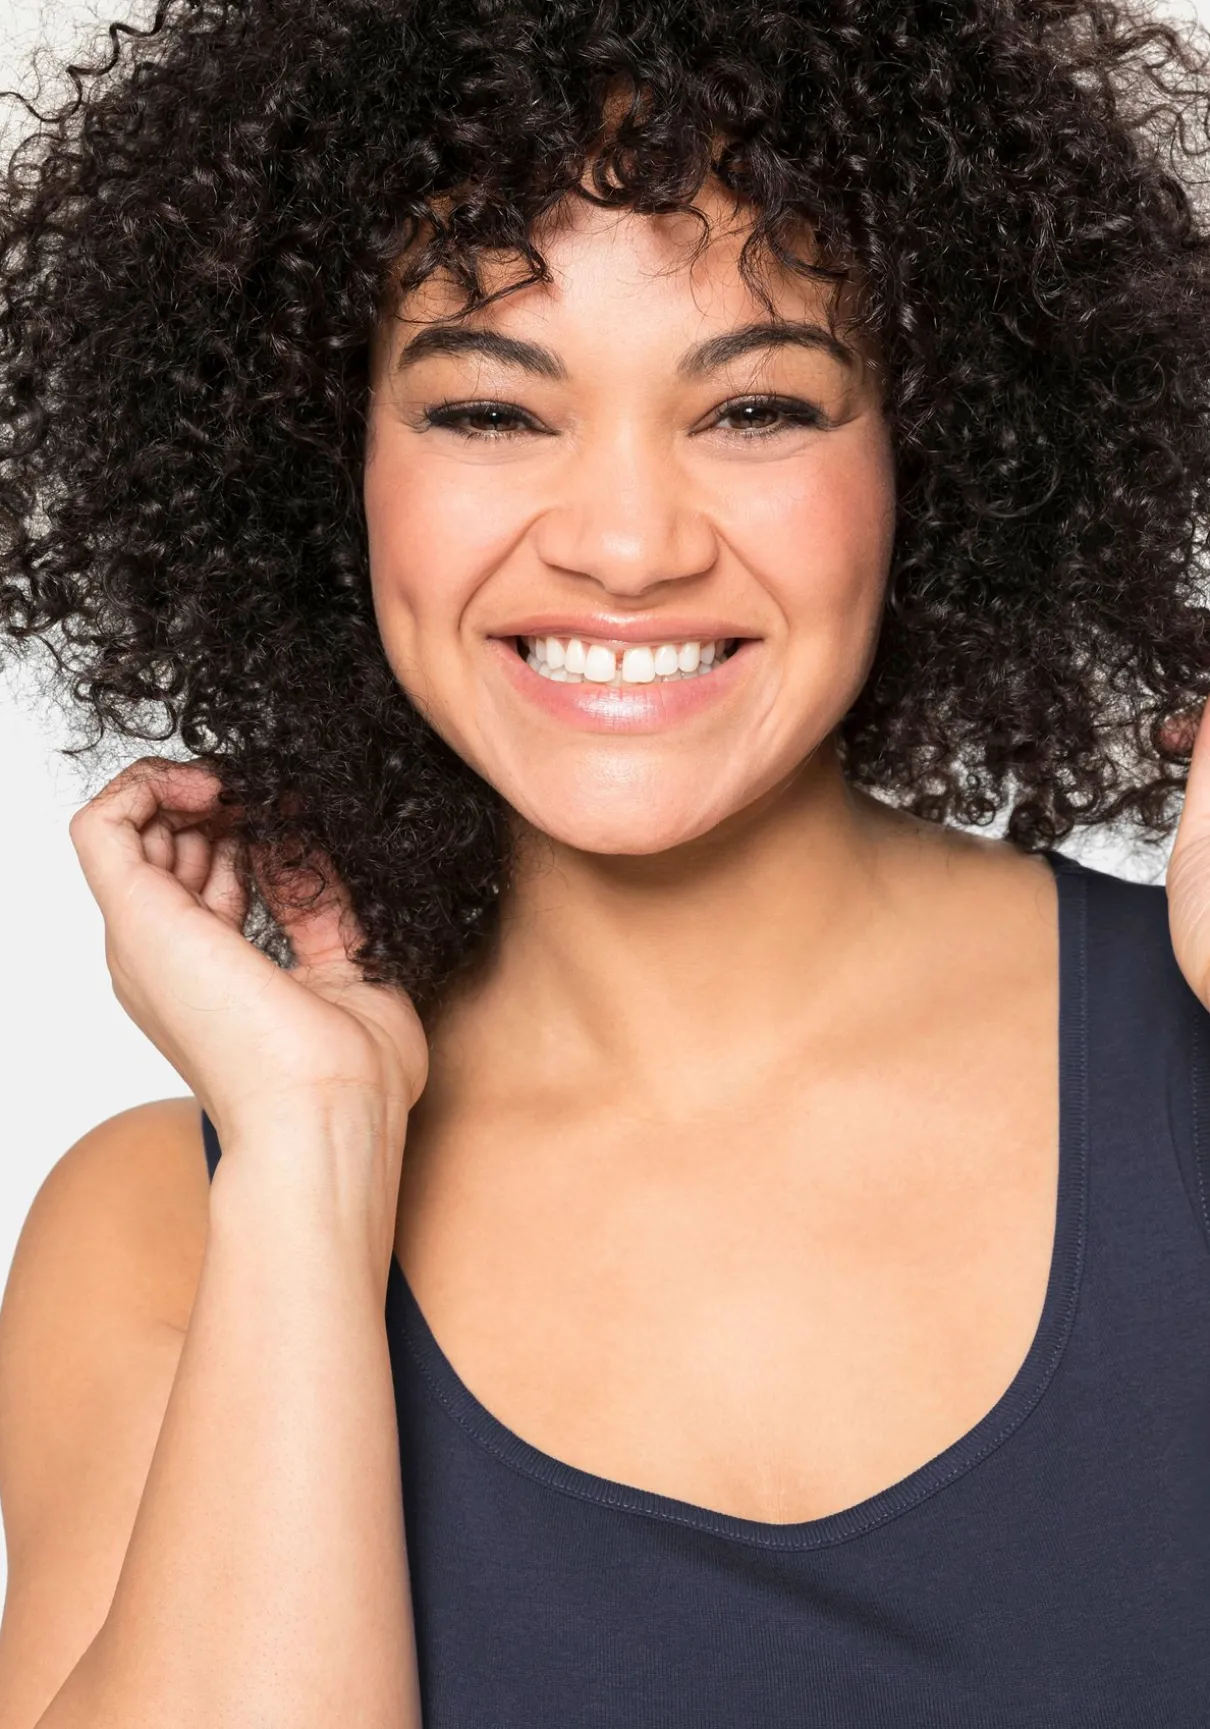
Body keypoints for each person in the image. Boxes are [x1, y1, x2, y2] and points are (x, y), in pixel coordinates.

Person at [2, 0, 1210, 1721]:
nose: (626, 546)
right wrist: (311, 1157)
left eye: (757, 408)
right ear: (322, 468)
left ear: (930, 455)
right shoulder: (164, 1234)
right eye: (491, 414)